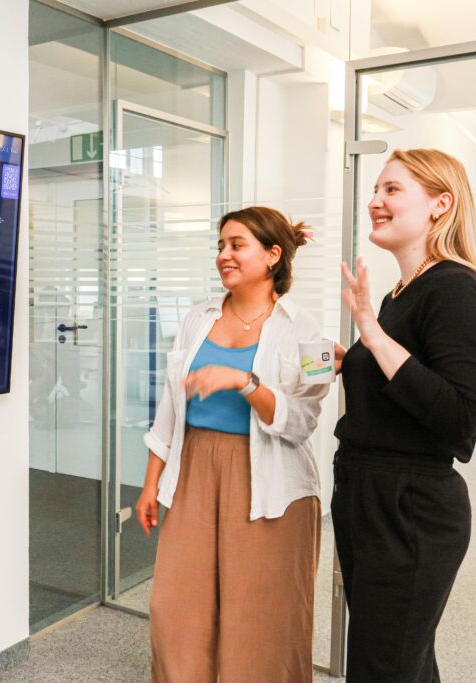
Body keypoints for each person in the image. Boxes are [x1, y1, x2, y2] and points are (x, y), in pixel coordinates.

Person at [137, 206, 329, 683]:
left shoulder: (306, 329)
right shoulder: (196, 318)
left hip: (272, 482)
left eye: (236, 245)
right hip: (195, 469)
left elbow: (303, 421)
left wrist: (244, 382)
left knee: (260, 616)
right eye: (220, 245)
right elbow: (169, 408)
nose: (224, 255)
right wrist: (149, 485)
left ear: (272, 255)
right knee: (176, 607)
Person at [333, 148, 476, 682]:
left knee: (386, 665)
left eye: (392, 189)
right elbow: (401, 387)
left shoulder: (456, 287)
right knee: (397, 659)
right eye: (375, 190)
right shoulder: (399, 292)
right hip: (366, 492)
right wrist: (353, 360)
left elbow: (459, 418)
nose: (375, 201)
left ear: (439, 204)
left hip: (411, 508)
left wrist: (372, 336)